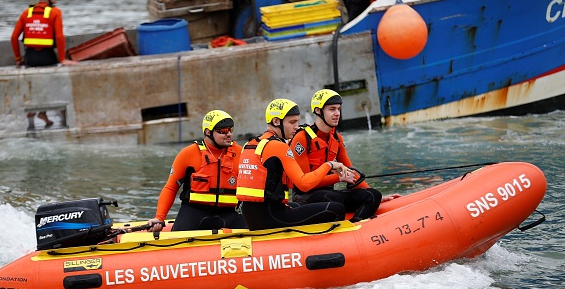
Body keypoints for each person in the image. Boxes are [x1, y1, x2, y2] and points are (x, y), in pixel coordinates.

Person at [236, 98, 351, 231]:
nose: (297, 126)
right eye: (292, 122)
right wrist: (329, 165)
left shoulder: (249, 145)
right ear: (276, 122)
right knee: (336, 208)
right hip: (271, 217)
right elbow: (304, 184)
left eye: (297, 121)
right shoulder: (278, 146)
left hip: (251, 218)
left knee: (297, 206)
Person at [289, 89, 398, 222]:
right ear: (318, 111)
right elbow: (303, 184)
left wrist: (375, 195)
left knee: (373, 195)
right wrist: (339, 178)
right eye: (332, 109)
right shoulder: (302, 138)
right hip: (305, 196)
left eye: (339, 109)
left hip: (328, 194)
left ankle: (356, 224)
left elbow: (350, 171)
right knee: (335, 200)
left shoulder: (337, 139)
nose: (337, 114)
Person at [148, 110, 247, 232]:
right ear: (208, 132)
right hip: (194, 213)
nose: (229, 134)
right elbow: (171, 187)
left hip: (228, 214)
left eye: (231, 130)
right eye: (223, 131)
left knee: (254, 232)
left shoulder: (241, 153)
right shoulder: (188, 154)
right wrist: (159, 217)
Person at [10, 0, 78, 127]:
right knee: (55, 83)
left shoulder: (26, 13)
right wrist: (62, 59)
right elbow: (59, 37)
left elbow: (14, 37)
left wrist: (17, 58)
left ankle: (37, 112)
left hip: (30, 58)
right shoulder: (55, 12)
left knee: (35, 84)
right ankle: (54, 111)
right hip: (48, 57)